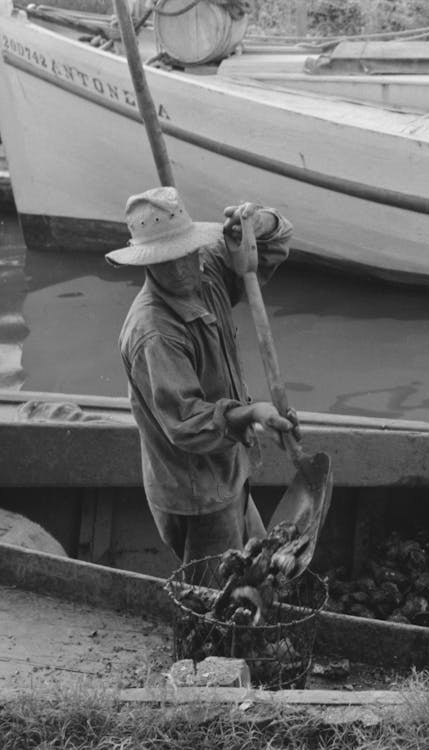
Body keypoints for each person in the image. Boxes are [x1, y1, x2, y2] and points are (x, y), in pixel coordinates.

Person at [106, 186, 297, 570]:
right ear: (148, 263)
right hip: (196, 491)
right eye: (167, 261)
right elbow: (189, 423)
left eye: (186, 255)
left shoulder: (205, 270)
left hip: (229, 469)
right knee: (215, 601)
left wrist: (258, 223)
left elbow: (275, 246)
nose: (181, 269)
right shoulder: (154, 331)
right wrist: (251, 413)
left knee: (259, 568)